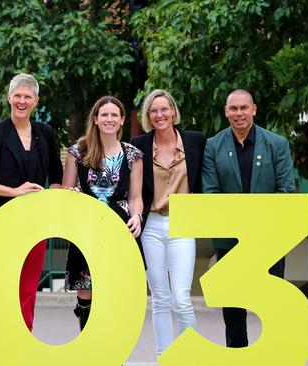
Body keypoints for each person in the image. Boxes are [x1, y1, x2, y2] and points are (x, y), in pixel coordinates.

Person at [0, 73, 63, 331]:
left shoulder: (45, 133)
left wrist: (49, 198)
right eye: (17, 95)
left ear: (36, 101)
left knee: (28, 290)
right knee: (2, 288)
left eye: (27, 96)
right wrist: (14, 191)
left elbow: (57, 176)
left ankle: (22, 349)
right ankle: (0, 346)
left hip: (35, 225)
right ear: (8, 97)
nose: (22, 101)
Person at [201, 89, 295, 347]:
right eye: (234, 109)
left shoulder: (277, 144)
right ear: (226, 112)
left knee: (274, 303)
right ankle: (237, 355)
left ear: (254, 109)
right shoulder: (212, 146)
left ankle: (278, 353)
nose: (239, 113)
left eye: (244, 108)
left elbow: (286, 190)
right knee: (232, 308)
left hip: (268, 241)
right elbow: (211, 193)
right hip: (229, 241)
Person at [130, 89, 205, 356]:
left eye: (164, 109)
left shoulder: (196, 142)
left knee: (182, 299)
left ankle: (191, 355)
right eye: (153, 111)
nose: (159, 115)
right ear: (148, 116)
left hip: (182, 224)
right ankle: (165, 356)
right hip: (150, 226)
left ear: (173, 111)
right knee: (160, 299)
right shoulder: (138, 145)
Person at [62, 96, 144, 330]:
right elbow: (67, 191)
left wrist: (137, 216)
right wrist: (73, 193)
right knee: (86, 290)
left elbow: (135, 198)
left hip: (119, 228)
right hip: (86, 228)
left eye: (114, 115)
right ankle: (90, 352)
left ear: (121, 121)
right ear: (96, 120)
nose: (109, 119)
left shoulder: (133, 155)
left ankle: (113, 352)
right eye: (104, 115)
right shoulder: (78, 152)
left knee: (115, 291)